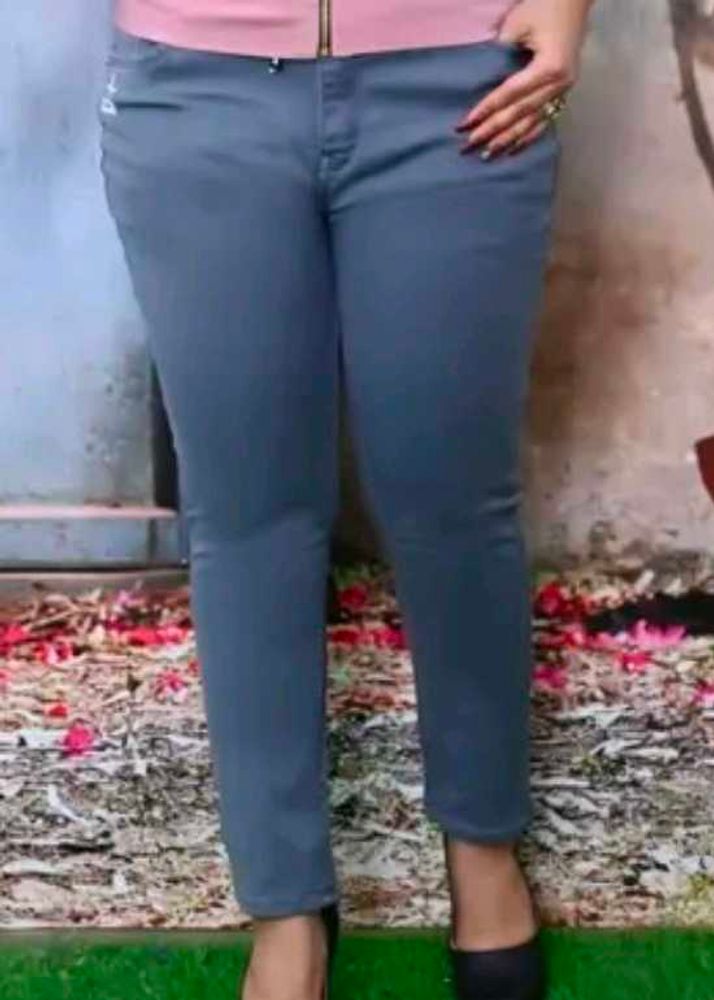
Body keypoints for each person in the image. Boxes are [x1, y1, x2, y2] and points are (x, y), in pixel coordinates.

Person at [98, 1, 595, 997]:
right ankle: (284, 905)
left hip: (456, 83)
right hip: (194, 88)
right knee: (248, 516)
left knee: (454, 503)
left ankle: (483, 850)